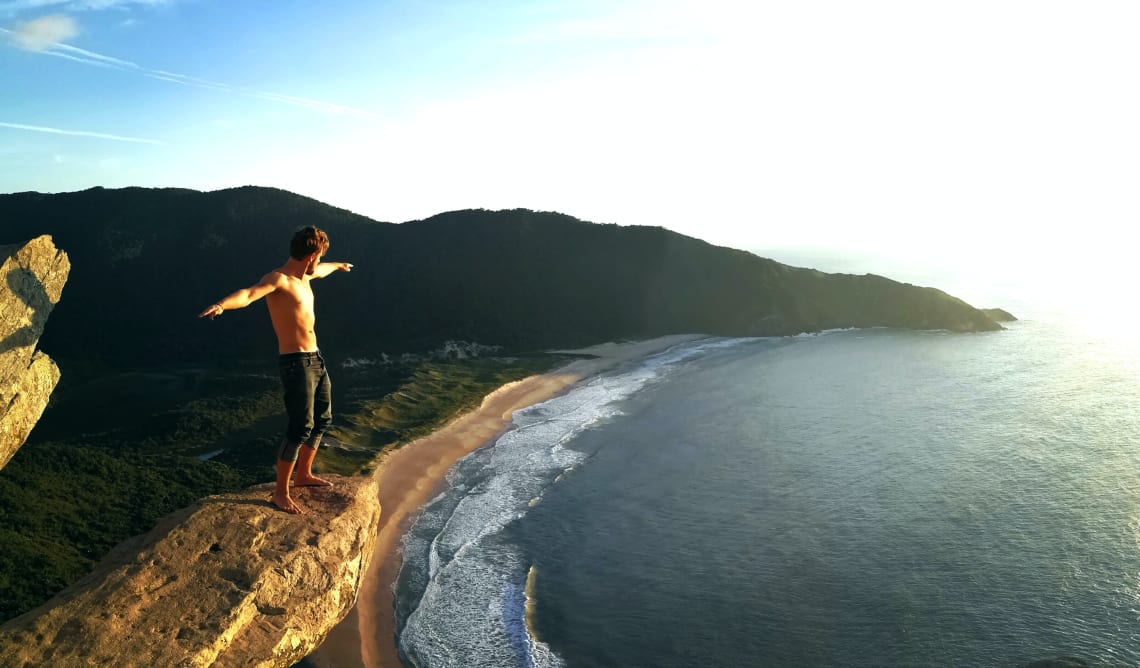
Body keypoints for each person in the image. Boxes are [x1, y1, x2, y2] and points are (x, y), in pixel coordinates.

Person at [198, 226, 353, 514]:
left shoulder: (308, 275)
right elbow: (248, 294)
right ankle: (280, 492)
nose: (320, 263)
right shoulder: (279, 280)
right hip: (296, 362)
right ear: (312, 255)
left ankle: (303, 475)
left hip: (316, 359)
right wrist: (222, 304)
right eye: (320, 257)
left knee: (323, 418)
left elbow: (325, 269)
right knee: (300, 426)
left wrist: (339, 265)